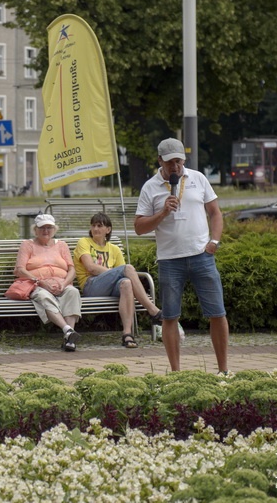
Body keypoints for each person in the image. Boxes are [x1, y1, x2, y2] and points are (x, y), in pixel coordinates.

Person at [134, 138, 228, 373]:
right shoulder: (150, 187)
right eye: (170, 162)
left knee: (217, 313)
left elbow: (215, 213)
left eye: (179, 161)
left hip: (201, 256)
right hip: (169, 260)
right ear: (160, 161)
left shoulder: (198, 178)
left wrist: (214, 242)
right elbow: (139, 227)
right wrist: (163, 212)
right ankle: (176, 373)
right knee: (170, 317)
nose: (175, 166)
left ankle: (224, 371)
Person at [73, 212, 163, 349]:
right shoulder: (84, 242)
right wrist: (116, 272)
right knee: (127, 269)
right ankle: (152, 310)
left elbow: (125, 275)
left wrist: (118, 273)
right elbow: (91, 268)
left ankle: (127, 334)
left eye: (100, 226)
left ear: (108, 230)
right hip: (91, 286)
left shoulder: (114, 249)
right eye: (93, 225)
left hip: (111, 288)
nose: (96, 229)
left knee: (126, 283)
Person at [13, 214, 83, 352]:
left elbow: (72, 269)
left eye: (49, 227)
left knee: (73, 292)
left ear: (54, 229)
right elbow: (19, 270)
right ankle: (67, 330)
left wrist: (64, 284)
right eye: (42, 228)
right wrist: (40, 282)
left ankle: (69, 339)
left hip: (61, 284)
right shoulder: (28, 245)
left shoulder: (62, 245)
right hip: (38, 285)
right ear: (35, 230)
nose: (46, 231)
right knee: (44, 297)